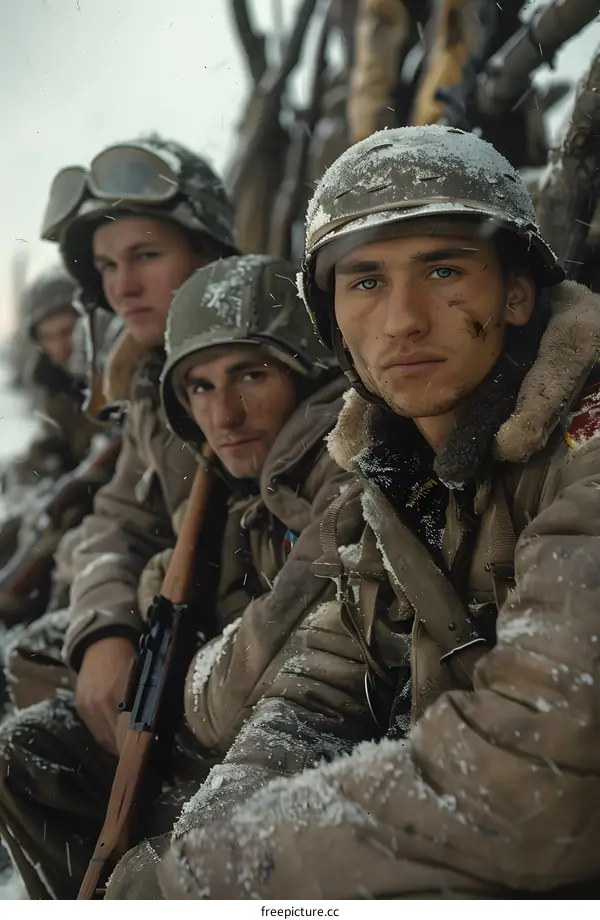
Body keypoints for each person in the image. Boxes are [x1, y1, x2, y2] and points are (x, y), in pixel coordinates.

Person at [155, 125, 600, 900]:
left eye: (443, 269)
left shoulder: (583, 451)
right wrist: (216, 832)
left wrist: (225, 870)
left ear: (518, 293)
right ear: (333, 321)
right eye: (365, 282)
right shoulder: (392, 479)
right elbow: (316, 693)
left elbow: (539, 778)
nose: (403, 320)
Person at [0, 252, 351, 899]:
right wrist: (124, 619)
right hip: (239, 721)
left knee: (150, 876)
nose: (225, 415)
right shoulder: (245, 475)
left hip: (317, 744)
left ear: (308, 373)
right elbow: (129, 536)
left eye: (251, 375)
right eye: (201, 388)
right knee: (25, 753)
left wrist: (165, 674)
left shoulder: (338, 465)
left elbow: (259, 668)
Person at [3, 265, 102, 489]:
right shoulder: (56, 387)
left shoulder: (114, 383)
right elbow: (51, 443)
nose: (60, 348)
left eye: (67, 332)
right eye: (47, 337)